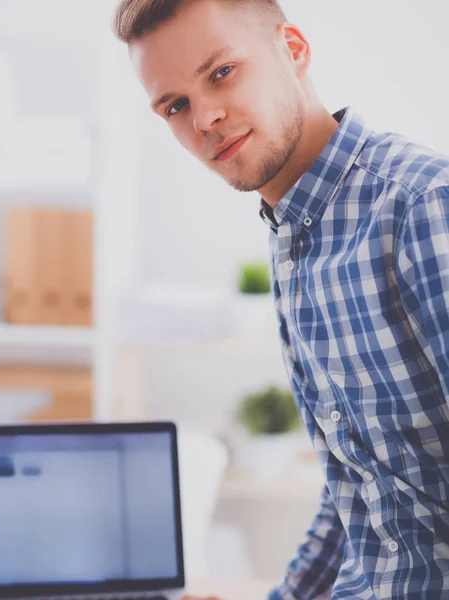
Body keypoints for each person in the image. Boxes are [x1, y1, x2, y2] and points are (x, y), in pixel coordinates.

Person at [112, 0, 449, 598]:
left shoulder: (423, 207)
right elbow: (362, 486)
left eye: (221, 72)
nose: (205, 118)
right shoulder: (295, 231)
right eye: (175, 105)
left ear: (292, 50)